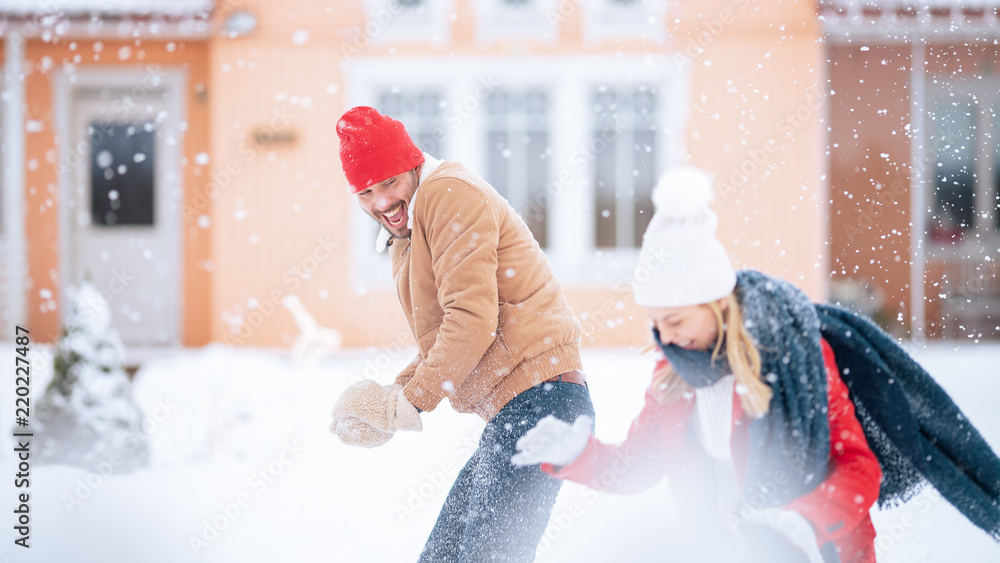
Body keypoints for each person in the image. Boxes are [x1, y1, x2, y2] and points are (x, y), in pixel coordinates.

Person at [513, 167, 1000, 561]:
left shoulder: (794, 358)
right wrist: (578, 454)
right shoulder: (674, 377)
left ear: (717, 302)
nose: (667, 336)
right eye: (656, 322)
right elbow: (638, 467)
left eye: (677, 319)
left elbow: (859, 469)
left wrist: (802, 519)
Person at [328, 106, 594, 562]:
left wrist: (407, 405)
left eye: (389, 182)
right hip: (519, 411)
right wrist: (392, 397)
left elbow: (472, 323)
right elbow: (447, 339)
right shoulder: (408, 232)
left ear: (412, 165)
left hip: (543, 403)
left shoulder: (446, 193)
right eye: (366, 191)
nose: (381, 203)